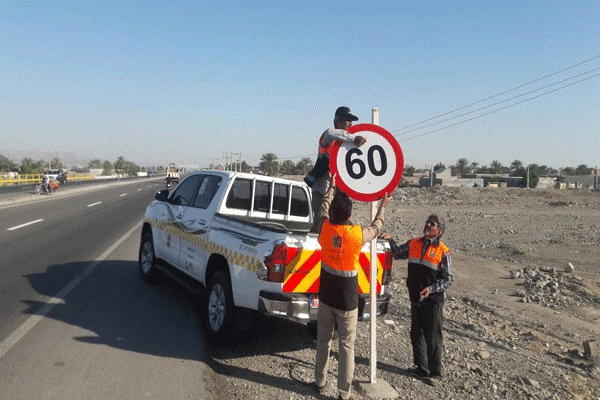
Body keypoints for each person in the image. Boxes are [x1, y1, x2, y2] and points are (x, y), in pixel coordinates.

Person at [313, 174, 392, 400]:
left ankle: (319, 382)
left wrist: (332, 187)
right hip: (347, 301)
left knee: (322, 341)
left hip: (326, 296)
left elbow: (323, 209)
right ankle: (343, 393)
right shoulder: (357, 234)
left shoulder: (325, 229)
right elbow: (377, 227)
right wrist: (382, 207)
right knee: (347, 347)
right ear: (349, 214)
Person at [386, 214, 453, 380]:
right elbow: (398, 253)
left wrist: (432, 289)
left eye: (433, 224)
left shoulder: (443, 252)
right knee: (416, 333)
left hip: (433, 301)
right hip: (415, 297)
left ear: (439, 231)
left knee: (433, 337)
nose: (428, 224)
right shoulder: (414, 243)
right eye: (428, 222)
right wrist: (390, 240)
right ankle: (421, 368)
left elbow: (448, 278)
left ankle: (435, 372)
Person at [306, 106, 367, 232]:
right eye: (347, 119)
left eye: (351, 120)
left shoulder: (348, 144)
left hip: (338, 193)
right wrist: (353, 138)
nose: (350, 123)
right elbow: (331, 133)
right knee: (320, 227)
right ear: (338, 121)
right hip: (322, 190)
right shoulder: (330, 135)